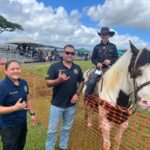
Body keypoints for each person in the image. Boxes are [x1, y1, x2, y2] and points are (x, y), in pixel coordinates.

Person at [45, 44, 84, 150]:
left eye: (72, 53)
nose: (70, 55)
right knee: (52, 130)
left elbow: (81, 81)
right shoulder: (55, 67)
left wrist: (77, 94)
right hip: (56, 105)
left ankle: (63, 147)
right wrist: (58, 80)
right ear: (63, 53)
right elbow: (48, 83)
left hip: (71, 105)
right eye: (67, 53)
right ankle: (49, 148)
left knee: (66, 128)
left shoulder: (77, 68)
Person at [0, 60, 36, 150]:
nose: (16, 71)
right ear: (6, 71)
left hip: (22, 122)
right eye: (12, 69)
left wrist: (32, 113)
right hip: (9, 126)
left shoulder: (24, 83)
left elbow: (27, 99)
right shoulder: (2, 86)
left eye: (18, 68)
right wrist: (14, 108)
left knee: (20, 146)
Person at [84, 26, 118, 95]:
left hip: (110, 68)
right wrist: (97, 63)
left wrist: (110, 61)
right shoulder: (96, 47)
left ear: (109, 35)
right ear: (100, 35)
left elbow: (116, 58)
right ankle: (87, 97)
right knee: (91, 82)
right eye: (102, 34)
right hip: (99, 69)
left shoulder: (113, 46)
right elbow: (93, 58)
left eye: (106, 34)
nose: (104, 36)